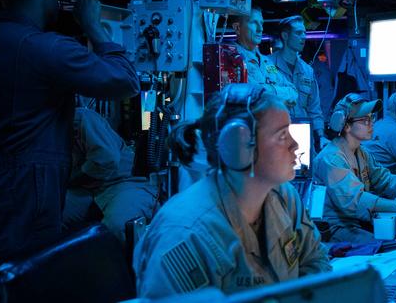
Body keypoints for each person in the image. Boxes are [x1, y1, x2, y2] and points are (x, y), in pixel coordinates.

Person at [0, 0, 139, 265]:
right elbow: (125, 82)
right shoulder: (46, 48)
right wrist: (94, 27)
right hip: (25, 194)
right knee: (29, 276)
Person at [134, 84, 330, 298]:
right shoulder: (184, 234)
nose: (295, 145)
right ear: (238, 146)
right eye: (282, 135)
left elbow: (315, 262)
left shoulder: (285, 197)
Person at [312, 93, 396, 244]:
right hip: (336, 230)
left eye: (371, 118)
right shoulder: (331, 159)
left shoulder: (361, 152)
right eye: (365, 120)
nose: (371, 124)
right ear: (346, 125)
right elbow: (358, 202)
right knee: (389, 246)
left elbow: (387, 181)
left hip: (357, 223)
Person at [63, 107, 158, 245]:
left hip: (122, 183)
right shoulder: (40, 132)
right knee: (45, 216)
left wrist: (69, 180)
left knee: (118, 227)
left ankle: (125, 265)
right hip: (85, 189)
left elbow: (106, 159)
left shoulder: (81, 119)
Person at [270, 15, 329, 150]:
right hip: (277, 135)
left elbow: (314, 108)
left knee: (305, 171)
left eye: (304, 33)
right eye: (298, 33)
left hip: (302, 136)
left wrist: (320, 137)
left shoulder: (307, 71)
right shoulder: (267, 65)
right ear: (285, 36)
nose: (303, 37)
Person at [231, 8, 298, 109]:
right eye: (253, 22)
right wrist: (280, 97)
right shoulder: (232, 60)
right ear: (237, 28)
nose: (260, 29)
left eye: (261, 23)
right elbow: (252, 94)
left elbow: (293, 91)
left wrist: (270, 93)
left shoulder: (266, 62)